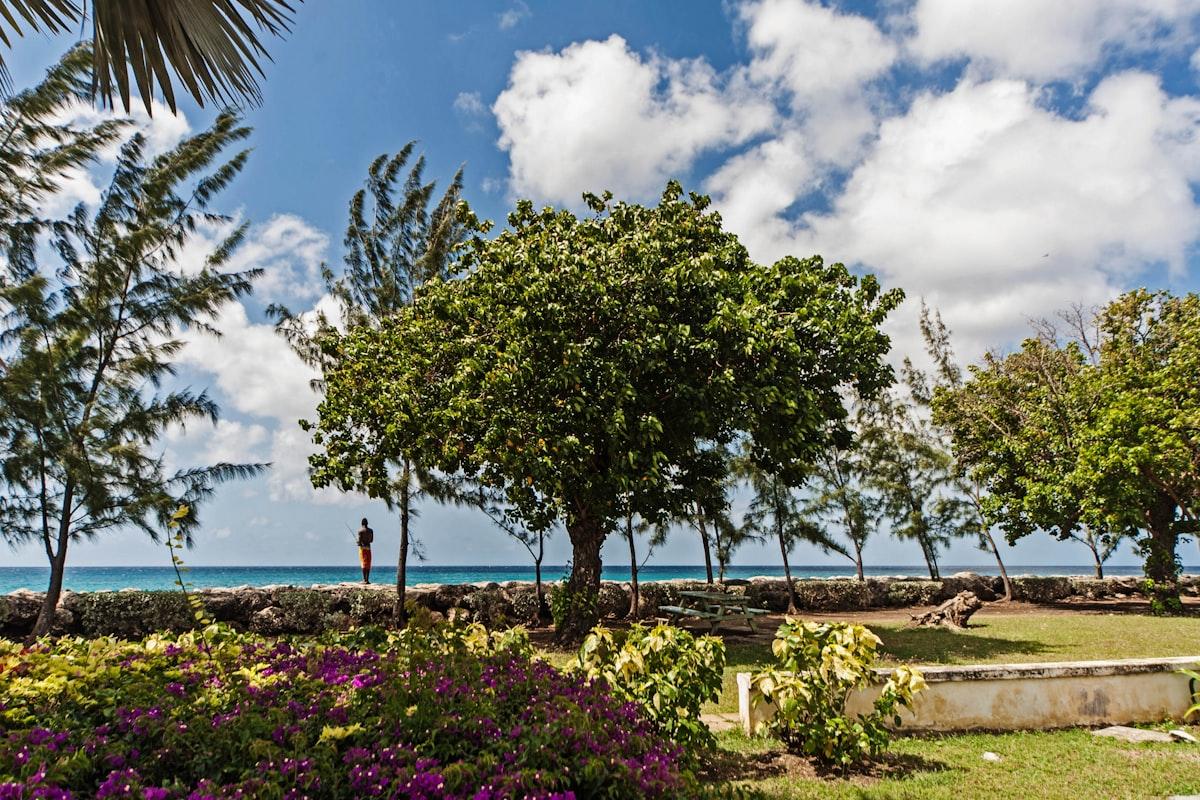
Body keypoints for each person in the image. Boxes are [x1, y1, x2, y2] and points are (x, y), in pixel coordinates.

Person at [356, 518, 374, 583]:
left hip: (362, 548)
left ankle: (364, 579)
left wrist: (358, 543)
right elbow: (371, 540)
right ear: (367, 523)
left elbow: (359, 541)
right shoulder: (371, 531)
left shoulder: (360, 531)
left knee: (363, 563)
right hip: (368, 548)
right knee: (368, 563)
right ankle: (367, 579)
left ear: (362, 523)